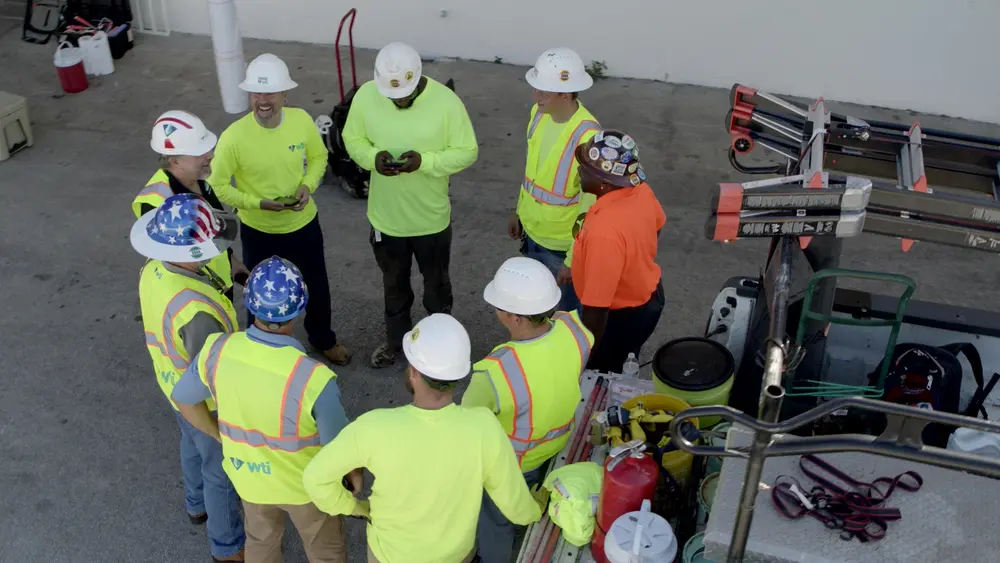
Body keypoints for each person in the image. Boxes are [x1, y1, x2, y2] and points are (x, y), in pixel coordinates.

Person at [302, 314, 541, 563]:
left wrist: (357, 508)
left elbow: (315, 479)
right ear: (457, 377)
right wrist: (537, 508)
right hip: (456, 556)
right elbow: (517, 507)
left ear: (414, 373)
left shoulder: (373, 427)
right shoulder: (483, 427)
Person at [172, 256, 356, 563]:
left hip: (250, 480)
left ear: (251, 305)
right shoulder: (314, 378)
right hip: (305, 488)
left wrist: (219, 436)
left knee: (261, 542)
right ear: (299, 309)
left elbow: (184, 398)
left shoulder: (216, 350)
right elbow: (339, 448)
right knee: (325, 549)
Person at [341, 41, 478, 369]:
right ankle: (396, 344)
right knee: (394, 289)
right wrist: (373, 159)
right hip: (386, 222)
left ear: (418, 78)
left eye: (404, 92)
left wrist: (426, 162)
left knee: (437, 288)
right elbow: (353, 139)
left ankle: (440, 345)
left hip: (431, 221)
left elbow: (467, 151)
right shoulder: (365, 96)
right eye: (391, 95)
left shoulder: (446, 103)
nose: (398, 99)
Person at [207, 53, 351, 366]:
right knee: (258, 295)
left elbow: (318, 158)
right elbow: (219, 186)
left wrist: (308, 187)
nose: (263, 100)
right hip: (259, 232)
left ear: (285, 94)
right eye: (257, 93)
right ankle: (259, 351)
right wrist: (257, 204)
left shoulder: (300, 121)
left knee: (316, 287)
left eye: (271, 92)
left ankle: (322, 339)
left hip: (304, 225)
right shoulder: (233, 138)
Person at [131, 193, 246, 562]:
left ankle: (195, 504)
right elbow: (210, 371)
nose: (215, 248)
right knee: (220, 471)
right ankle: (227, 547)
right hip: (207, 402)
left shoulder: (154, 268)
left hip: (174, 387)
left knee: (190, 443)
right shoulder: (196, 312)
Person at [464, 256, 594, 563]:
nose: (496, 310)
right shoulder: (575, 329)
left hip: (514, 463)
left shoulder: (495, 371)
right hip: (559, 440)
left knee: (496, 519)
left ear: (516, 318)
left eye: (499, 306)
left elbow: (466, 424)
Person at [507, 48, 601, 312]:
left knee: (563, 317)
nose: (535, 96)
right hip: (532, 233)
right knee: (535, 309)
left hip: (560, 247)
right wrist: (519, 213)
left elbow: (590, 206)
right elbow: (531, 172)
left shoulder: (587, 137)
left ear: (566, 93)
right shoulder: (538, 115)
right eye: (536, 88)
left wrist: (572, 259)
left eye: (543, 91)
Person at [571, 129, 666, 373]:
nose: (579, 171)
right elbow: (657, 225)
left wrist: (586, 356)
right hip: (649, 297)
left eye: (585, 168)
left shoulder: (605, 232)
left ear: (604, 183)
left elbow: (597, 309)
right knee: (626, 358)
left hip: (619, 319)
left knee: (602, 374)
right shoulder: (639, 190)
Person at [134, 110, 250, 301]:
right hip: (198, 296)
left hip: (218, 284)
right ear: (175, 161)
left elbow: (212, 230)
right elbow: (174, 265)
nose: (211, 155)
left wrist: (231, 262)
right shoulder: (157, 204)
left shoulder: (201, 180)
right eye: (199, 153)